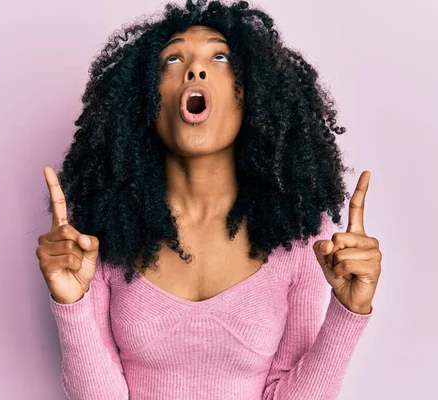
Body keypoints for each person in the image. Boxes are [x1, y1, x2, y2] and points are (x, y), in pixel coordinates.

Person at [35, 1, 382, 399]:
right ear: (144, 101)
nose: (195, 69)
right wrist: (71, 305)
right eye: (172, 60)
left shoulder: (299, 230)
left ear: (250, 94)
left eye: (219, 57)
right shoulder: (101, 228)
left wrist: (348, 313)